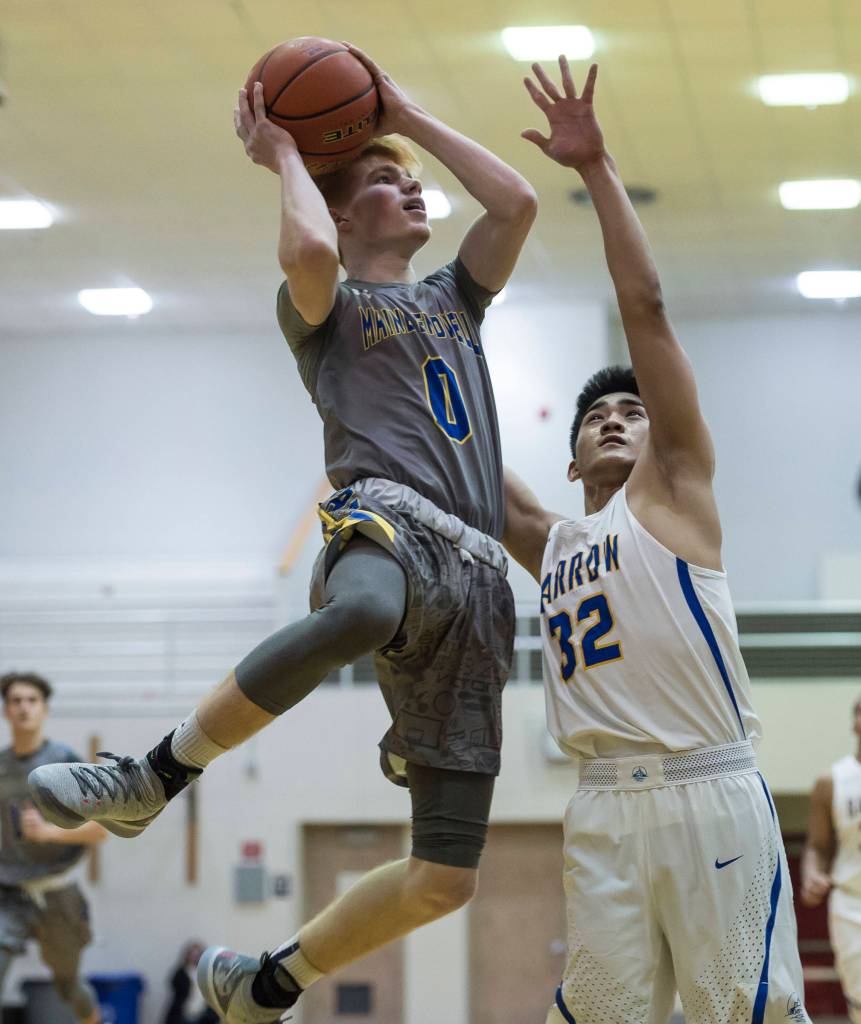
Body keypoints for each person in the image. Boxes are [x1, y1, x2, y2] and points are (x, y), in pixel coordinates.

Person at [29, 42, 536, 1024]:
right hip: (385, 516)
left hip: (477, 583)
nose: (415, 188)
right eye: (390, 182)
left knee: (447, 876)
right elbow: (306, 251)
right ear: (345, 212)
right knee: (361, 608)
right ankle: (152, 773)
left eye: (413, 178)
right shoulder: (328, 308)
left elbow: (514, 202)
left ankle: (265, 981)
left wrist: (408, 115)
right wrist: (290, 157)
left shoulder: (456, 300)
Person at [502, 59, 811, 1023]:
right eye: (597, 413)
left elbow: (648, 311)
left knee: (743, 1015)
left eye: (633, 408)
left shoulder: (674, 490)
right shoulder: (551, 543)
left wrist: (594, 170)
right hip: (599, 803)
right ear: (571, 459)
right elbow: (449, 445)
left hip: (706, 787)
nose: (616, 417)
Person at [0, 672, 106, 1024]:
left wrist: (49, 833)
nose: (23, 708)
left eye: (32, 700)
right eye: (15, 701)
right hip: (8, 892)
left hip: (57, 891)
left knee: (69, 987)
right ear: (6, 711)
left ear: (45, 710)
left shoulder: (65, 764)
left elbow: (100, 829)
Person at [801, 696, 861, 1022]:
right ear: (855, 722)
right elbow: (818, 845)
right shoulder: (832, 781)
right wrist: (811, 873)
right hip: (852, 904)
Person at [164, 942, 218, 1024]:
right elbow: (174, 986)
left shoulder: (205, 972)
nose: (194, 957)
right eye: (192, 954)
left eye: (197, 955)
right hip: (183, 1015)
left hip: (203, 1016)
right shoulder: (181, 972)